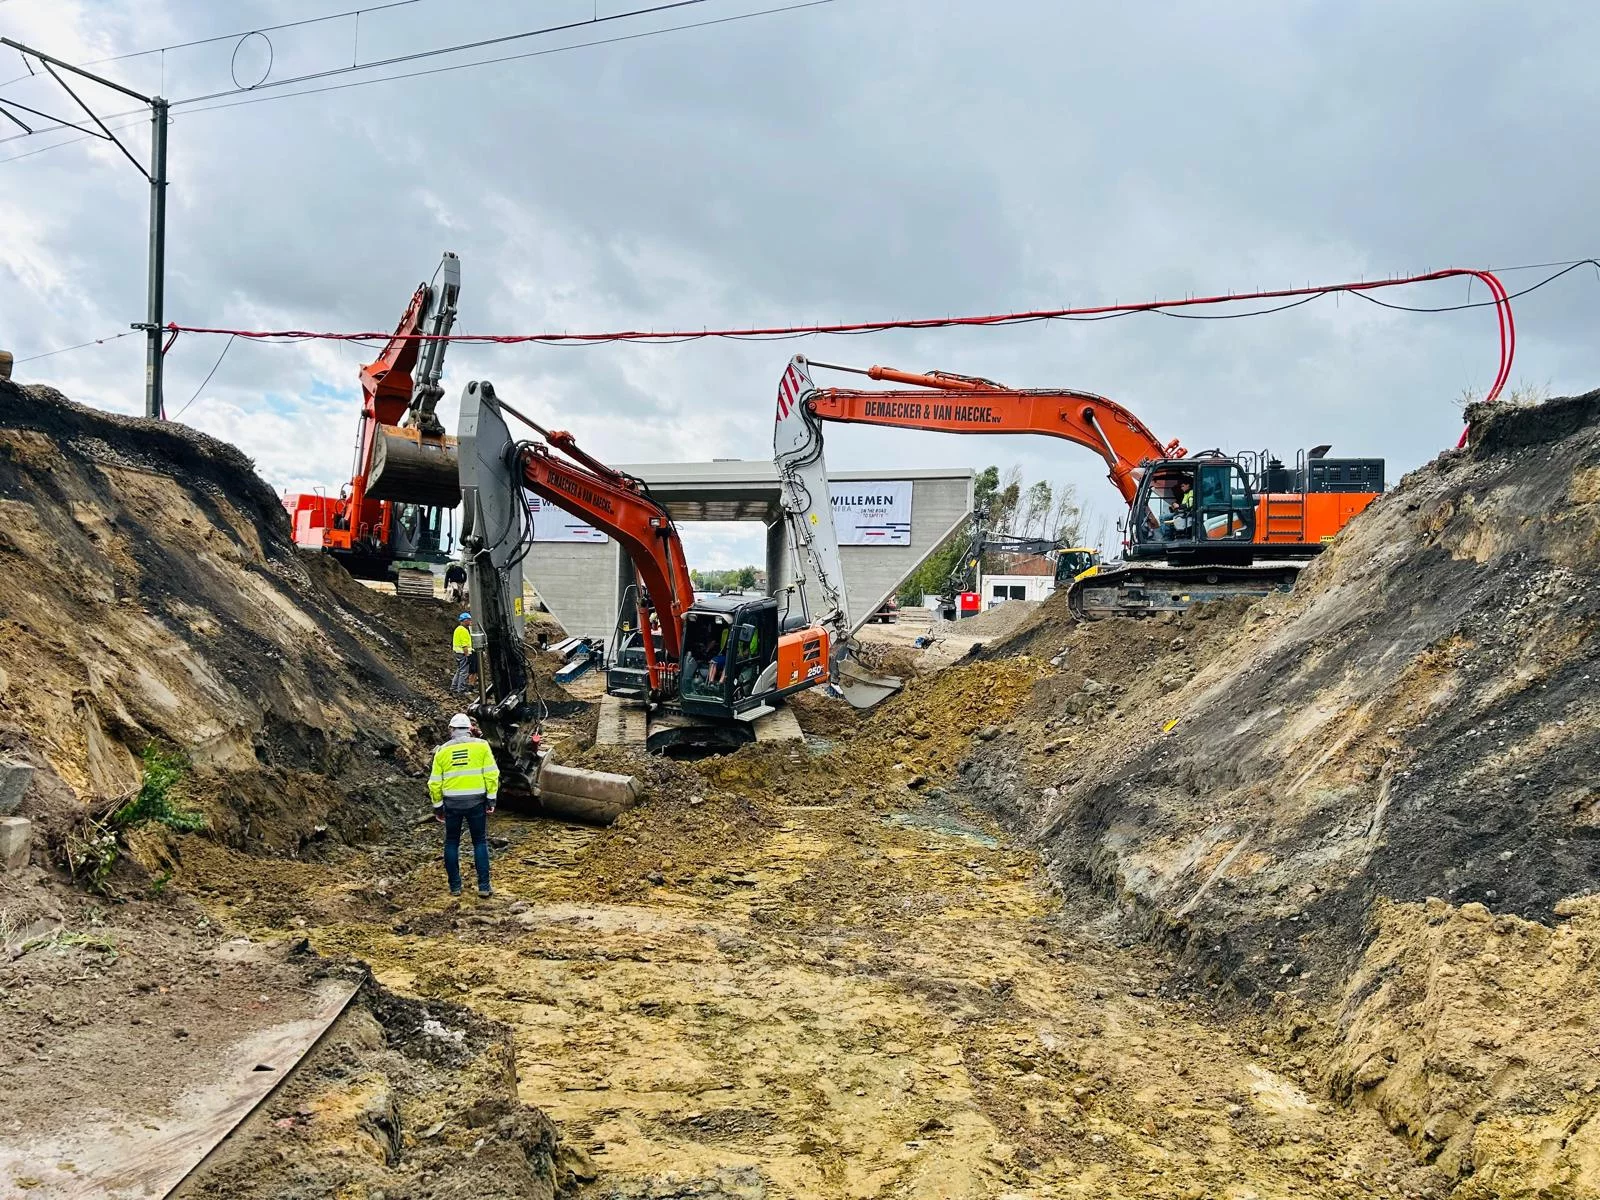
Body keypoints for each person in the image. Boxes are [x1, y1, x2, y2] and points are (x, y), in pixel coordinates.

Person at [428, 712, 500, 897]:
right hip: (476, 801)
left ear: (451, 729)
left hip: (452, 803)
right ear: (470, 729)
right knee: (479, 841)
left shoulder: (442, 751)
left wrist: (438, 806)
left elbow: (434, 783)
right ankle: (484, 886)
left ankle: (455, 887)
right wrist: (491, 798)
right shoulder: (482, 746)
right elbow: (492, 774)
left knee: (452, 842)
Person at [451, 613, 474, 693]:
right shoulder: (463, 631)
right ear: (465, 620)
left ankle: (454, 687)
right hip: (463, 654)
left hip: (458, 653)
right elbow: (464, 645)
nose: (470, 621)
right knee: (464, 672)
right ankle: (461, 689)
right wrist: (467, 655)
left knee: (459, 671)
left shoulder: (458, 629)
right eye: (469, 620)